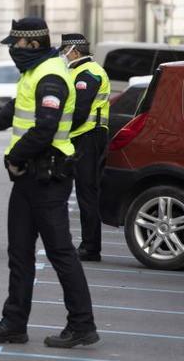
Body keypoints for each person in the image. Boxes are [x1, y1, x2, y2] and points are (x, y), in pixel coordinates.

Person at [0, 18, 99, 349]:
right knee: (20, 252)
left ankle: (82, 324)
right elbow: (16, 109)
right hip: (31, 177)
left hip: (47, 176)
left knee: (60, 252)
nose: (13, 51)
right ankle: (14, 323)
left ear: (31, 45)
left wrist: (14, 158)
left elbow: (45, 128)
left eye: (16, 45)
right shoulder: (35, 72)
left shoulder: (52, 75)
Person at [60, 33, 110, 262]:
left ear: (75, 51)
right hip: (84, 137)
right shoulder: (79, 71)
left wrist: (59, 132)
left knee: (86, 193)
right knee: (84, 192)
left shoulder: (87, 74)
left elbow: (79, 112)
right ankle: (88, 245)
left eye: (65, 51)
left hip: (87, 137)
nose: (63, 55)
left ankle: (90, 248)